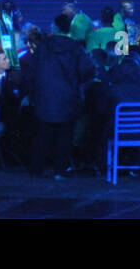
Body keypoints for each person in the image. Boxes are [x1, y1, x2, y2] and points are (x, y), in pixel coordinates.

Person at [25, 13, 93, 179]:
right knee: (65, 135)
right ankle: (60, 170)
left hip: (45, 98)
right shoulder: (76, 48)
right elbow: (88, 71)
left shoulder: (42, 47)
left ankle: (36, 169)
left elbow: (31, 72)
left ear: (55, 27)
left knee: (43, 134)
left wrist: (31, 93)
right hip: (68, 98)